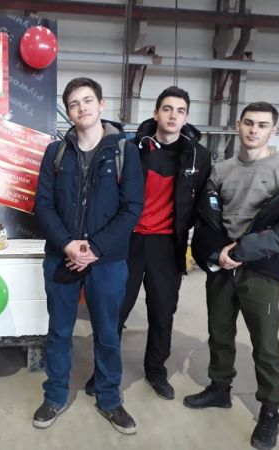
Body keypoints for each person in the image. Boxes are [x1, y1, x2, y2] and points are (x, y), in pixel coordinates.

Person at [184, 102, 279, 450]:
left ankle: (270, 408)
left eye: (262, 125)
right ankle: (220, 388)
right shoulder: (222, 170)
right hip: (222, 265)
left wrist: (242, 251)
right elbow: (207, 217)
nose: (254, 130)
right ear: (238, 125)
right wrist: (217, 253)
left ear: (273, 131)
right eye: (249, 123)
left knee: (265, 342)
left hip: (261, 268)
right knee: (219, 332)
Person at [84, 86, 211, 400]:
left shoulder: (198, 156)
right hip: (128, 241)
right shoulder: (132, 149)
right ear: (156, 113)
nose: (173, 116)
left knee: (162, 312)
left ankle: (156, 371)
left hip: (167, 245)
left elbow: (202, 203)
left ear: (186, 117)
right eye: (167, 109)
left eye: (180, 111)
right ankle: (103, 372)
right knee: (115, 311)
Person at [33, 77, 144, 435]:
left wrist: (95, 248)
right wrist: (67, 244)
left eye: (87, 100)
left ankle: (110, 400)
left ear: (101, 104)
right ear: (68, 112)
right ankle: (54, 396)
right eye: (74, 103)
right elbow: (43, 205)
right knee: (59, 331)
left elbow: (132, 209)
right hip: (61, 255)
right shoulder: (56, 152)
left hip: (108, 261)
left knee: (107, 333)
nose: (81, 108)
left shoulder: (125, 151)